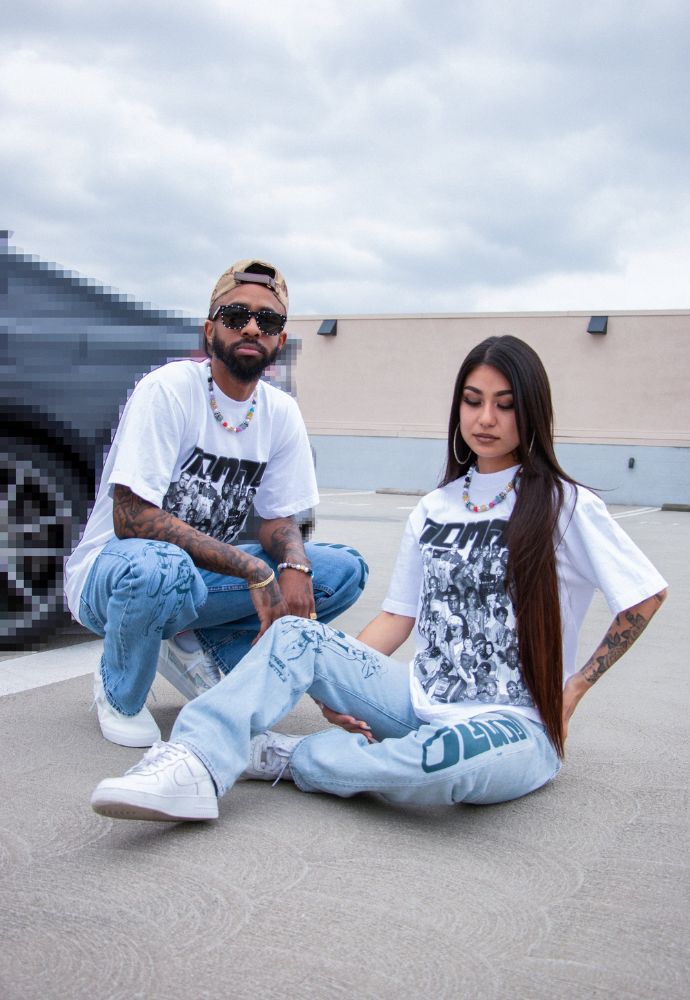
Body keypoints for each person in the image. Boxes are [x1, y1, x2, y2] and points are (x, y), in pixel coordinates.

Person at [90, 335, 667, 821]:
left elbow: (643, 597)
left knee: (441, 764)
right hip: (416, 698)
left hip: (513, 723)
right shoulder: (436, 507)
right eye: (472, 401)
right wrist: (336, 682)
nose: (485, 419)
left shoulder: (566, 504)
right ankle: (195, 761)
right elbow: (399, 617)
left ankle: (290, 758)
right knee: (297, 635)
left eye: (505, 404)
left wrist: (574, 689)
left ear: (531, 410)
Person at [65, 259, 367, 748]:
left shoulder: (280, 412)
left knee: (340, 571)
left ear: (280, 341)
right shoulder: (168, 390)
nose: (251, 326)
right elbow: (131, 516)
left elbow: (277, 520)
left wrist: (292, 562)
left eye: (267, 321)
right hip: (120, 573)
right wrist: (254, 569)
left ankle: (198, 649)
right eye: (235, 315)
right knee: (162, 570)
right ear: (210, 329)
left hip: (200, 581)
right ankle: (118, 689)